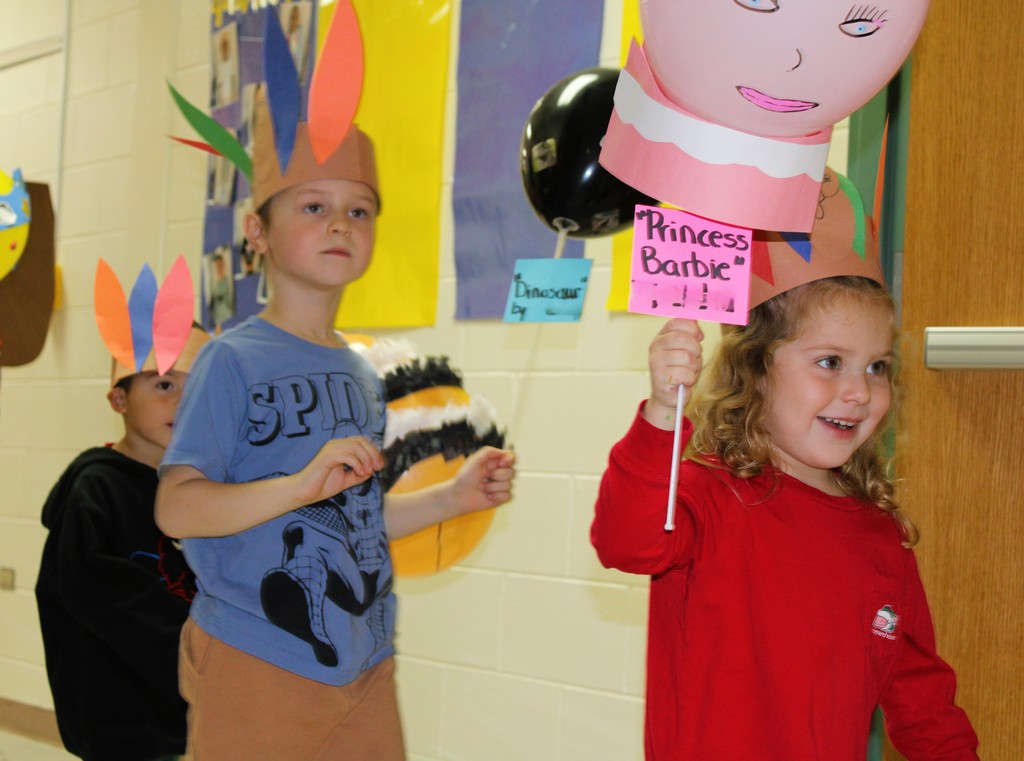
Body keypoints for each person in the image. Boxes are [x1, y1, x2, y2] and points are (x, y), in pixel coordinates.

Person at [155, 87, 516, 760]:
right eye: (314, 207)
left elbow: (358, 522)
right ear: (257, 231)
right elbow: (175, 507)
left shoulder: (360, 373)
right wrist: (299, 485)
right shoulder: (230, 361)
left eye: (359, 211)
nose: (341, 225)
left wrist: (451, 498)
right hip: (255, 657)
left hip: (364, 659)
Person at [591, 275, 979, 760]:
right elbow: (625, 543)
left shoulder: (880, 536)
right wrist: (664, 411)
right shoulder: (704, 495)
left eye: (878, 367)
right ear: (755, 369)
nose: (859, 390)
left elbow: (923, 704)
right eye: (830, 362)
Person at [36, 322, 209, 761]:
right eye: (165, 384)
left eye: (199, 387)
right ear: (119, 399)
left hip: (192, 718)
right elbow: (104, 601)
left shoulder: (201, 488)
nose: (182, 402)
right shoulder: (95, 491)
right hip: (124, 727)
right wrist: (202, 664)